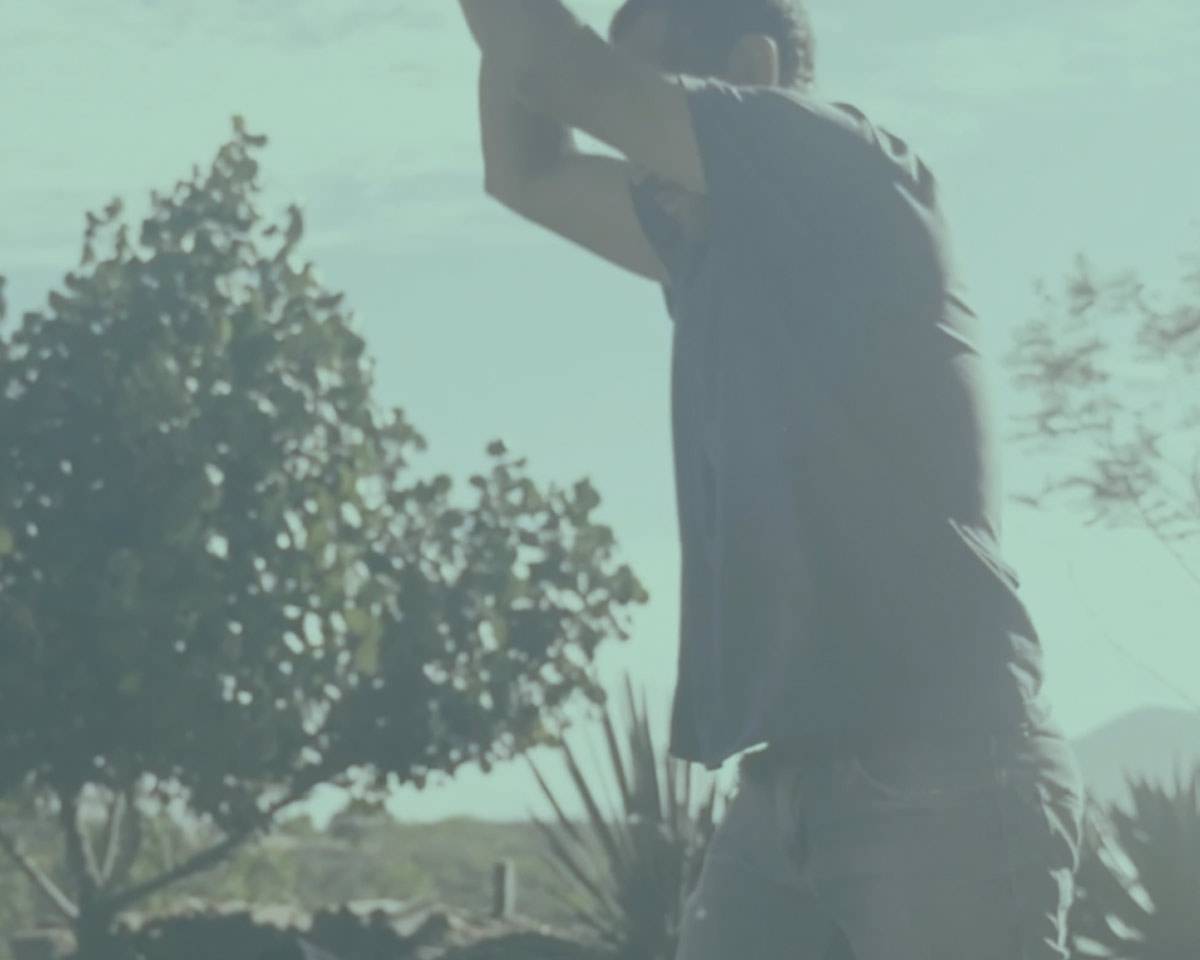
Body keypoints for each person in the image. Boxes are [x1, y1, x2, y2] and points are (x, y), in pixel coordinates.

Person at [455, 1, 1086, 957]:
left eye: (645, 124)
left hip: (945, 764)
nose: (638, 175)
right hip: (787, 784)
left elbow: (552, 66)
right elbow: (526, 173)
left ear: (752, 71)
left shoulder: (839, 164)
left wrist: (546, 58)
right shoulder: (713, 245)